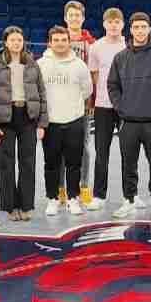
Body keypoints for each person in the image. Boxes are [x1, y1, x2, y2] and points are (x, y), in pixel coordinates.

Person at [107, 12, 151, 220]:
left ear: (149, 29)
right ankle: (129, 200)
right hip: (128, 122)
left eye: (143, 27)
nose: (140, 31)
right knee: (128, 163)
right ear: (131, 30)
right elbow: (112, 85)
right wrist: (121, 108)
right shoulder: (120, 58)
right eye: (136, 27)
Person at [0, 26, 47, 221]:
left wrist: (42, 122)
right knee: (6, 164)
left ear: (23, 42)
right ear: (5, 42)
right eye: (12, 40)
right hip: (5, 117)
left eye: (19, 40)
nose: (16, 43)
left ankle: (26, 205)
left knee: (28, 163)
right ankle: (10, 207)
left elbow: (42, 93)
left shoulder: (32, 64)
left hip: (27, 116)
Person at [38, 26, 93, 216]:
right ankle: (52, 198)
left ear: (69, 42)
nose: (60, 43)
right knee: (51, 163)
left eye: (64, 40)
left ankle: (73, 199)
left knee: (74, 163)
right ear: (49, 42)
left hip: (75, 121)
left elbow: (87, 91)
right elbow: (38, 92)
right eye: (56, 40)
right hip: (51, 123)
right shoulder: (41, 65)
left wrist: (72, 106)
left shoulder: (79, 65)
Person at [86, 8, 126, 211]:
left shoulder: (130, 45)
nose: (113, 25)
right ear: (104, 24)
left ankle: (131, 196)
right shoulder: (95, 47)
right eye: (110, 22)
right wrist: (101, 95)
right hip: (103, 106)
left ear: (122, 25)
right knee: (101, 153)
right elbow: (94, 76)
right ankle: (99, 195)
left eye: (117, 22)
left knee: (129, 153)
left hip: (126, 107)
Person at [61, 0, 98, 205]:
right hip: (59, 103)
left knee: (83, 146)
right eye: (71, 15)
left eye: (78, 15)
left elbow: (94, 74)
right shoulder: (56, 40)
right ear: (66, 18)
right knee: (60, 146)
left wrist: (91, 100)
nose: (74, 18)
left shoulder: (91, 44)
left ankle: (84, 187)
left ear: (83, 18)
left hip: (82, 103)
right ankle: (61, 190)